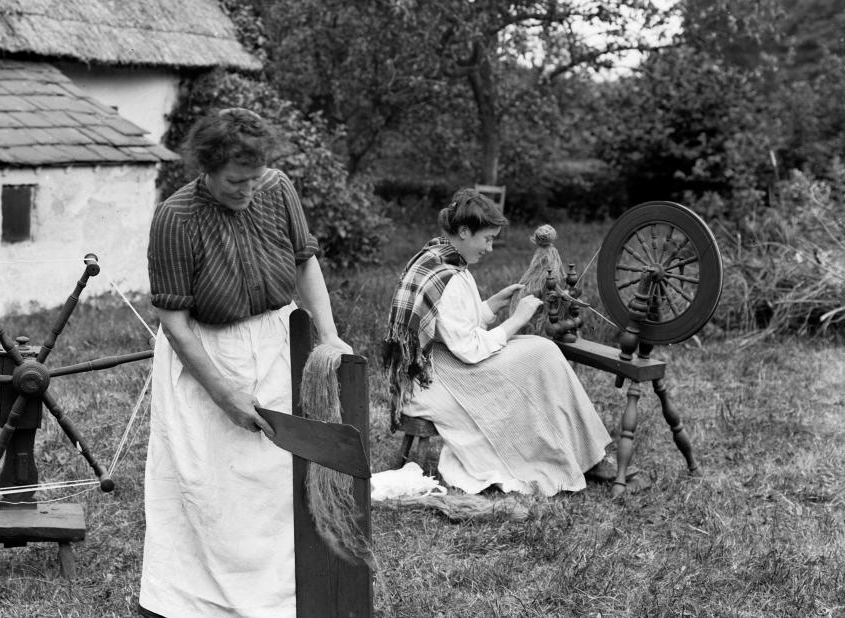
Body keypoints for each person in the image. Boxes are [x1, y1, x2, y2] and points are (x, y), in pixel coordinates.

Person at [138, 108, 351, 618]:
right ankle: (197, 601)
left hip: (277, 341)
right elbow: (175, 319)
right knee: (212, 484)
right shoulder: (176, 217)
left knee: (275, 478)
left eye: (255, 177)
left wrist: (330, 336)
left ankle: (277, 598)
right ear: (206, 169)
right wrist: (224, 393)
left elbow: (304, 261)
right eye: (236, 181)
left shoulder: (277, 190)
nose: (248, 189)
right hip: (207, 354)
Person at [382, 188, 612, 497]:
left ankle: (581, 450)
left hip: (437, 362)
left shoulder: (439, 257)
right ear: (464, 231)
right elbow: (468, 348)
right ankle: (577, 453)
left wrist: (492, 304)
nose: (491, 248)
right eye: (488, 239)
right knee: (541, 354)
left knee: (539, 353)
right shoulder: (447, 274)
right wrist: (516, 318)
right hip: (432, 381)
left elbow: (454, 324)